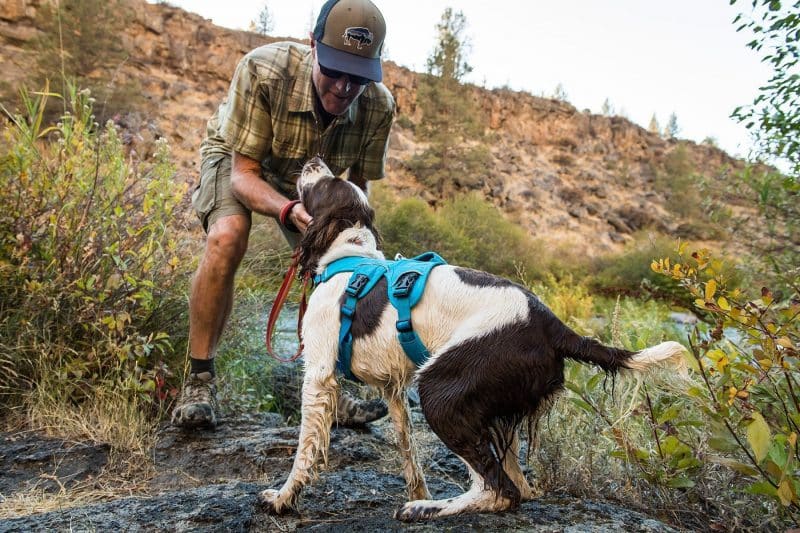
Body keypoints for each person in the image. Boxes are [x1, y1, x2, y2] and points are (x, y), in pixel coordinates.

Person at [172, 0, 394, 429]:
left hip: (313, 181)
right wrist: (288, 209)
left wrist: (348, 245)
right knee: (228, 235)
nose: (344, 86)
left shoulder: (379, 107)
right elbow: (243, 175)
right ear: (313, 45)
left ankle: (330, 387)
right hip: (240, 160)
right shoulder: (263, 70)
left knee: (343, 260)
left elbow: (358, 188)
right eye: (335, 70)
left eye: (358, 77)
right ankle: (199, 382)